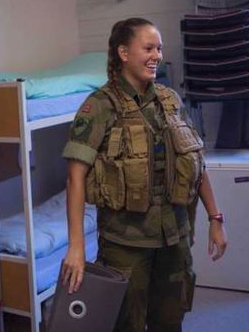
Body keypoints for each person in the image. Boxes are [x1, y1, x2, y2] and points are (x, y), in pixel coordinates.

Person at [61, 18, 227, 332]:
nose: (157, 56)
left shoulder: (170, 100)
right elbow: (75, 178)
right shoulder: (99, 106)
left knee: (170, 321)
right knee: (128, 323)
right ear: (124, 53)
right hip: (125, 244)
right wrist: (76, 246)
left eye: (159, 49)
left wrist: (215, 218)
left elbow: (196, 162)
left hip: (174, 237)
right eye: (148, 48)